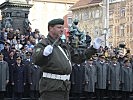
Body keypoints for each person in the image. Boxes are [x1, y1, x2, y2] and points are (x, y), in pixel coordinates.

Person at [32, 18, 102, 100]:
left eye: (62, 27)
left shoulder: (64, 45)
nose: (62, 30)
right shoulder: (43, 44)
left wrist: (93, 49)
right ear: (51, 28)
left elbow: (78, 58)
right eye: (59, 27)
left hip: (64, 86)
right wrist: (43, 54)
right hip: (51, 86)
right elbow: (36, 60)